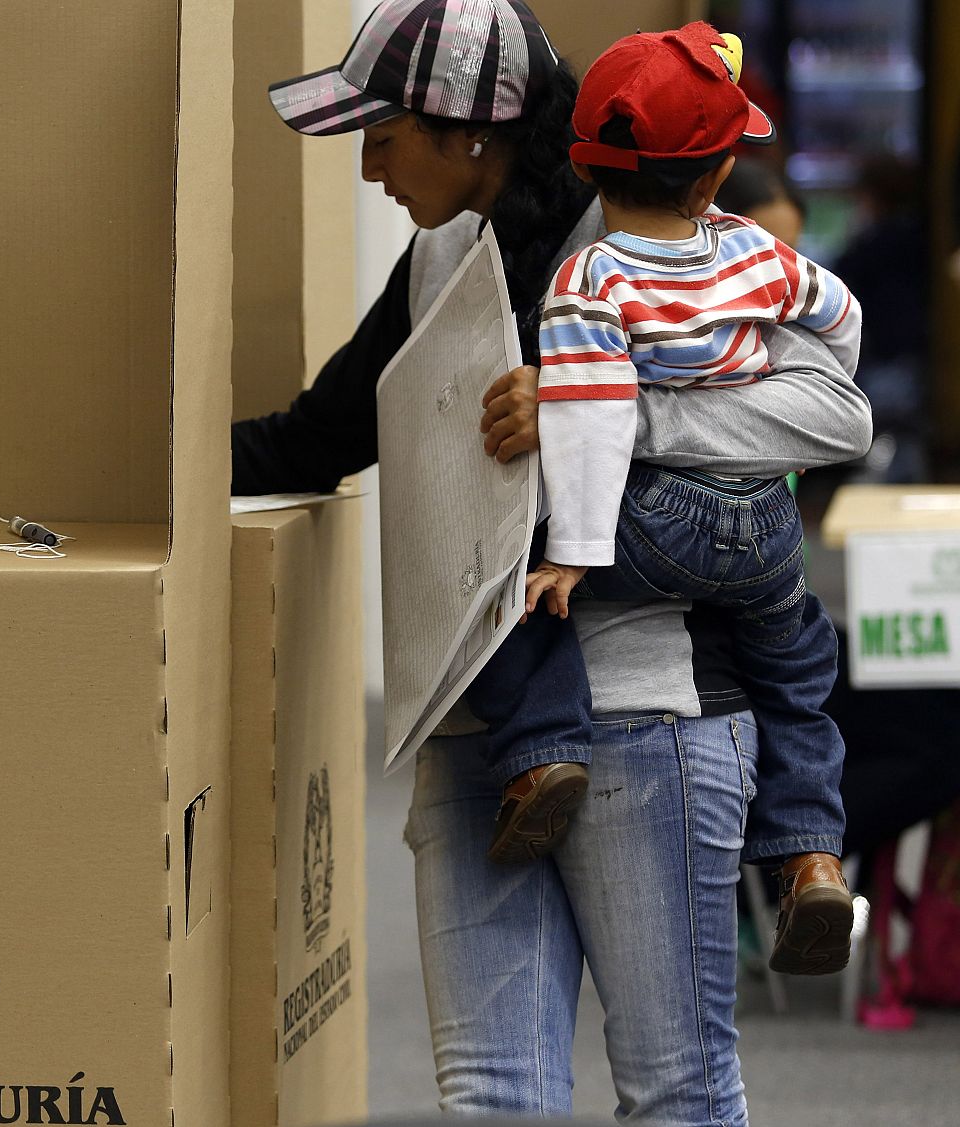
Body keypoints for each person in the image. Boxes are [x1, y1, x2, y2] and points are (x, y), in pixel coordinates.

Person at [237, 0, 871, 1119]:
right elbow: (321, 434)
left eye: (382, 135)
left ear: (467, 134)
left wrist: (610, 405)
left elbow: (828, 410)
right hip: (480, 720)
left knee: (673, 1088)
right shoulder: (443, 258)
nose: (369, 165)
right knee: (491, 1097)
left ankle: (805, 844)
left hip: (650, 723)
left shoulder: (649, 232)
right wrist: (143, 472)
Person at [459, 24, 860, 980]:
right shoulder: (756, 252)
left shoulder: (588, 277)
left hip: (657, 525)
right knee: (798, 659)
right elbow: (839, 322)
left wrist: (576, 552)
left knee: (513, 583)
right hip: (763, 526)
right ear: (716, 179)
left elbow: (596, 425)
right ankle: (810, 853)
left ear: (589, 171)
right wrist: (787, 363)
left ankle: (541, 754)